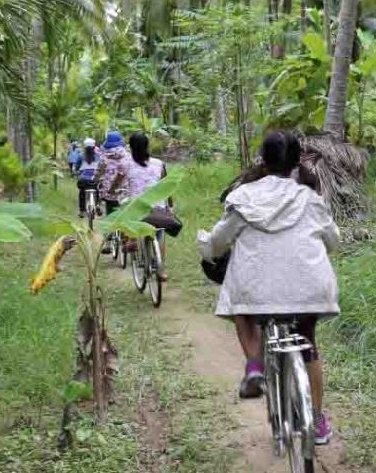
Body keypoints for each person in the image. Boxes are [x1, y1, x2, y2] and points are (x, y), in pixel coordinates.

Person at [198, 131, 339, 445]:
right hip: (309, 288)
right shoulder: (310, 198)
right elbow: (333, 240)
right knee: (308, 344)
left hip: (257, 291)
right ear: (295, 162)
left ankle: (254, 365)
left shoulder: (244, 195)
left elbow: (220, 242)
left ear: (263, 159)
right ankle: (316, 421)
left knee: (243, 311)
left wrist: (207, 248)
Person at [105, 132, 169, 277]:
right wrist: (170, 205)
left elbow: (116, 182)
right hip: (158, 208)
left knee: (124, 211)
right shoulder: (159, 164)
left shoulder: (126, 164)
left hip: (137, 210)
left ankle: (130, 238)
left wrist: (112, 190)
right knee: (159, 234)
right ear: (147, 146)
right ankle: (161, 269)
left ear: (131, 147)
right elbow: (166, 186)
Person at [96, 131, 129, 216]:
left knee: (111, 216)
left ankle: (112, 229)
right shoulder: (127, 156)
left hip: (109, 192)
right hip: (124, 192)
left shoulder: (104, 157)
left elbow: (100, 171)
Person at [76, 138, 99, 217]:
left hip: (83, 180)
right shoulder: (98, 156)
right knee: (97, 191)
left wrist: (77, 171)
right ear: (94, 147)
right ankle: (98, 205)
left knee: (82, 193)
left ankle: (82, 211)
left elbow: (77, 166)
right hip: (95, 179)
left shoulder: (81, 156)